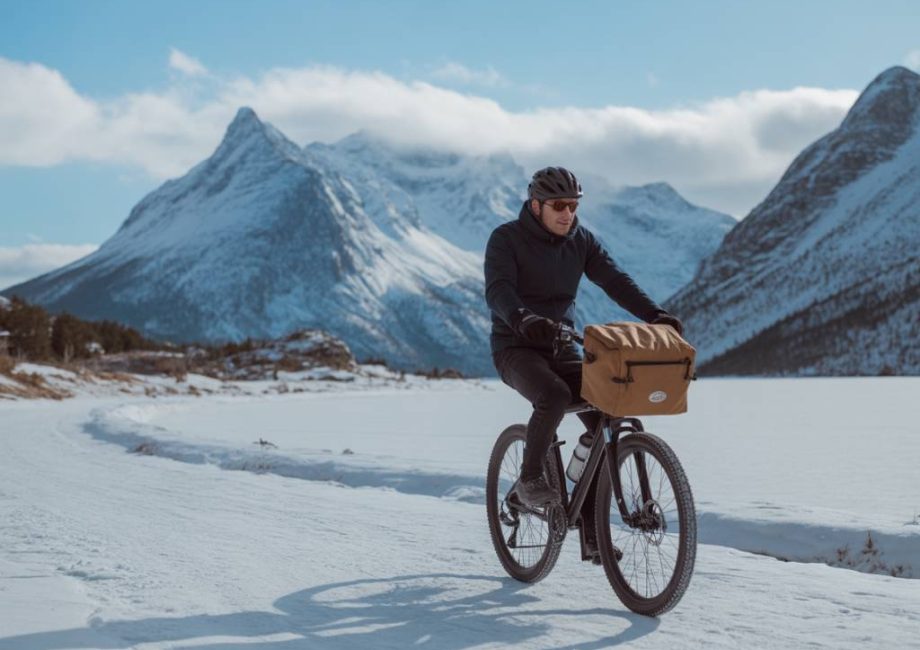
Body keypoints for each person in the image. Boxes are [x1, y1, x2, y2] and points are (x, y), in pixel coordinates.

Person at [484, 166, 683, 561]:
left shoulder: (581, 241)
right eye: (559, 205)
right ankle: (530, 479)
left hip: (562, 348)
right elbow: (499, 291)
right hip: (515, 349)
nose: (567, 214)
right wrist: (523, 319)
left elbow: (614, 280)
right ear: (536, 205)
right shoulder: (506, 239)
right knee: (554, 395)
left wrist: (655, 316)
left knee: (605, 415)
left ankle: (593, 536)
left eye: (573, 206)